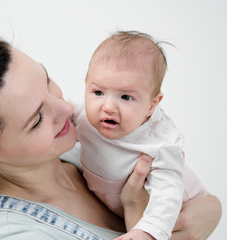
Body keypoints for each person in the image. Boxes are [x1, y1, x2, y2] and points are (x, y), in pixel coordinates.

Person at [0, 34, 221, 240]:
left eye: (46, 81)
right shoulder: (13, 234)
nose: (63, 106)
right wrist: (136, 210)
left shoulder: (76, 148)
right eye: (37, 119)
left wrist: (211, 210)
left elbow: (196, 195)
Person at [73, 31, 211, 239]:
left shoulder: (161, 145)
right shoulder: (83, 115)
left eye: (126, 97)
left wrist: (147, 232)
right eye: (98, 92)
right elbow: (59, 109)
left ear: (151, 105)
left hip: (182, 204)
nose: (108, 106)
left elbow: (167, 197)